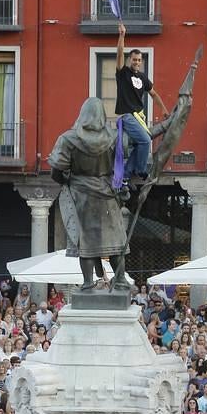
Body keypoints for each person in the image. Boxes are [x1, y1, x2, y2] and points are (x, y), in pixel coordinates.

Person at [48, 98, 130, 291]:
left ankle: (87, 283)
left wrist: (67, 182)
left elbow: (56, 171)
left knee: (86, 241)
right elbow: (121, 163)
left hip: (81, 194)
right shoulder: (114, 136)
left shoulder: (68, 139)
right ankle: (120, 280)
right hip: (107, 194)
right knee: (116, 240)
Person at [115, 21, 168, 189]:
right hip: (127, 115)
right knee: (145, 141)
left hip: (139, 117)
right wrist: (122, 36)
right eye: (134, 59)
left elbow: (154, 94)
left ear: (141, 61)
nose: (136, 62)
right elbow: (119, 53)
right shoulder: (123, 73)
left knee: (141, 144)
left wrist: (164, 109)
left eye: (139, 60)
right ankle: (140, 169)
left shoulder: (143, 78)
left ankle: (125, 175)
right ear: (130, 60)